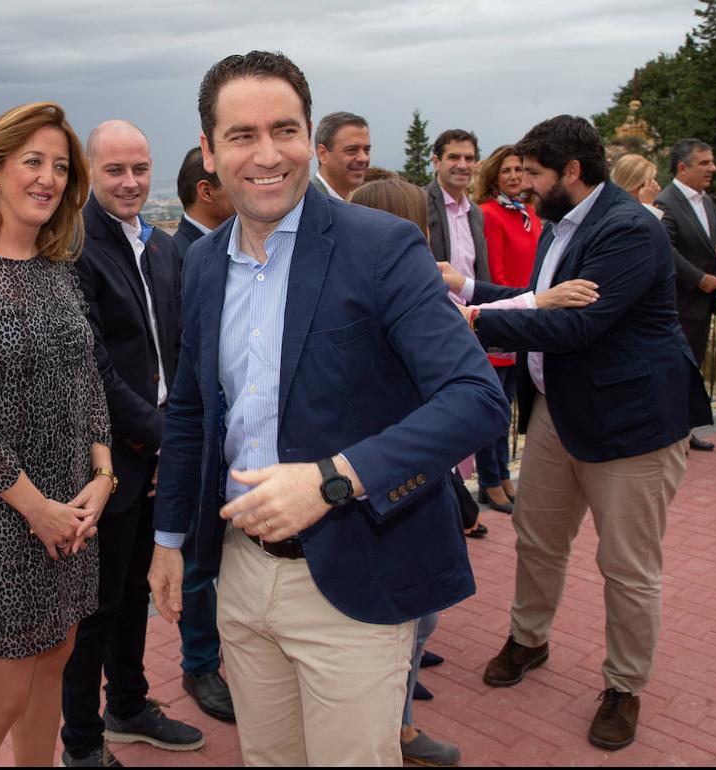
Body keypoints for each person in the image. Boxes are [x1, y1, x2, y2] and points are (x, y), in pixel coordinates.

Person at [147, 50, 511, 766]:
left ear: (308, 140)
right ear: (210, 153)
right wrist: (167, 540)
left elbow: (476, 400)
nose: (267, 154)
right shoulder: (204, 262)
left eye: (284, 130)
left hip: (354, 574)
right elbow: (191, 409)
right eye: (242, 135)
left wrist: (331, 479)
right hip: (240, 572)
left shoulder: (380, 247)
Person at [443, 115, 711, 751]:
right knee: (537, 539)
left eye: (534, 173)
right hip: (558, 415)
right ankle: (528, 639)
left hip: (631, 426)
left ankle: (624, 686)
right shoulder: (563, 223)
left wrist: (469, 318)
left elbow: (576, 326)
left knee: (627, 566)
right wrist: (469, 286)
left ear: (571, 171)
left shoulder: (628, 229)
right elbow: (544, 298)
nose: (523, 185)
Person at [0, 101, 112, 767]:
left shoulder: (57, 268)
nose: (48, 178)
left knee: (56, 663)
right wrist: (36, 508)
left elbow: (87, 378)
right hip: (1, 523)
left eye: (60, 167)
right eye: (33, 162)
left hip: (72, 515)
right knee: (0, 697)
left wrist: (103, 476)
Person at [60, 120, 203, 767]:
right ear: (90, 172)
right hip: (108, 460)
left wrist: (175, 437)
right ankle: (82, 745)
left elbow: (180, 348)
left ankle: (128, 706)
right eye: (115, 170)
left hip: (158, 450)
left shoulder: (163, 248)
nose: (130, 182)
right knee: (93, 609)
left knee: (135, 595)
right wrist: (165, 439)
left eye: (140, 168)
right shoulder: (75, 247)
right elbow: (94, 370)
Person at [349, 175, 460, 768]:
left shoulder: (407, 289)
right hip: (387, 486)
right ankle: (394, 726)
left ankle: (398, 717)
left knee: (418, 617)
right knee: (406, 620)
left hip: (407, 485)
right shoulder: (389, 297)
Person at [171, 145, 237, 724]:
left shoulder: (237, 247)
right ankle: (200, 664)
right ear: (206, 190)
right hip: (195, 434)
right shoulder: (183, 255)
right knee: (195, 560)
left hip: (230, 438)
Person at [655, 138, 716, 451]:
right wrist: (698, 278)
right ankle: (671, 436)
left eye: (711, 161)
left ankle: (685, 431)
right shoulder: (666, 202)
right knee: (675, 370)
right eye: (704, 163)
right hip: (680, 302)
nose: (712, 168)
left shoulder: (706, 201)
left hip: (702, 305)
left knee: (692, 369)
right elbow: (667, 250)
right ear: (682, 167)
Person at [472, 145, 542, 515]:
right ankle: (489, 481)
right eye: (507, 170)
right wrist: (514, 314)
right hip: (505, 319)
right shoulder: (489, 214)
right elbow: (495, 275)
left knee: (509, 407)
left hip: (528, 321)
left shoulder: (529, 213)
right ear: (494, 176)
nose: (515, 176)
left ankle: (502, 475)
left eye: (520, 169)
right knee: (493, 409)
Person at [426, 128, 489, 295]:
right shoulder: (420, 204)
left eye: (469, 158)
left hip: (471, 307)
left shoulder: (476, 213)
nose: (462, 165)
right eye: (454, 157)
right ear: (436, 162)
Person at [174, 146, 235, 266]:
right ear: (206, 192)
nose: (244, 194)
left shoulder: (232, 245)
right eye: (234, 186)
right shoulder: (178, 260)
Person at [311, 111, 370, 200]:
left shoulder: (359, 203)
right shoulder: (307, 202)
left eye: (366, 150)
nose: (363, 158)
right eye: (352, 150)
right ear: (322, 154)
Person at [610, 154, 663, 219]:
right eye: (644, 184)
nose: (650, 190)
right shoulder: (616, 208)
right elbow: (640, 225)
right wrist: (647, 207)